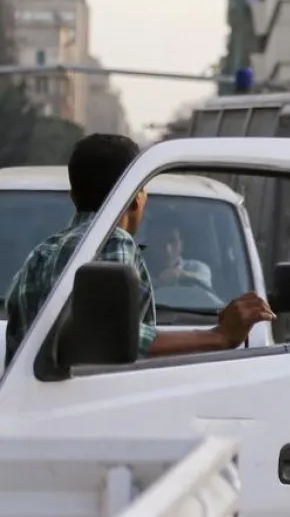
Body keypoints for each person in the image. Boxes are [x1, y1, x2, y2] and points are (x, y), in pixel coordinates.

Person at [3, 134, 274, 369]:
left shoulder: (41, 254)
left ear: (73, 195)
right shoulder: (113, 242)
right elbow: (110, 338)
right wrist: (219, 337)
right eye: (143, 189)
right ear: (135, 197)